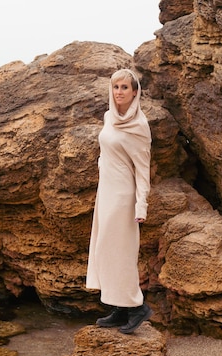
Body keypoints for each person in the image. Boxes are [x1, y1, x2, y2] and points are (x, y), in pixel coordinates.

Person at [86, 68, 153, 334]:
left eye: (124, 88)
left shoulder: (139, 126)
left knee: (122, 254)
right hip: (106, 192)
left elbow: (142, 169)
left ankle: (137, 308)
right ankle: (119, 306)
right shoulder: (108, 117)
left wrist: (141, 205)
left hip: (124, 197)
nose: (119, 92)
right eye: (115, 87)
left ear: (134, 92)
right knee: (105, 250)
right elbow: (106, 150)